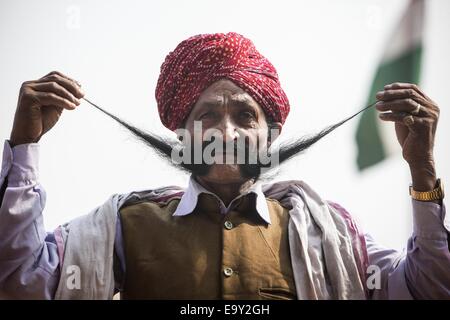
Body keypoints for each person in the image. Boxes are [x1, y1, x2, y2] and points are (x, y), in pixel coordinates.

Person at [0, 32, 448, 300]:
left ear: (269, 138)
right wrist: (24, 144)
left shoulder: (328, 234)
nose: (226, 134)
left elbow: (428, 289)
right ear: (182, 135)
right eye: (208, 116)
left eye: (244, 117)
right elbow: (23, 284)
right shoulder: (123, 226)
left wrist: (423, 173)